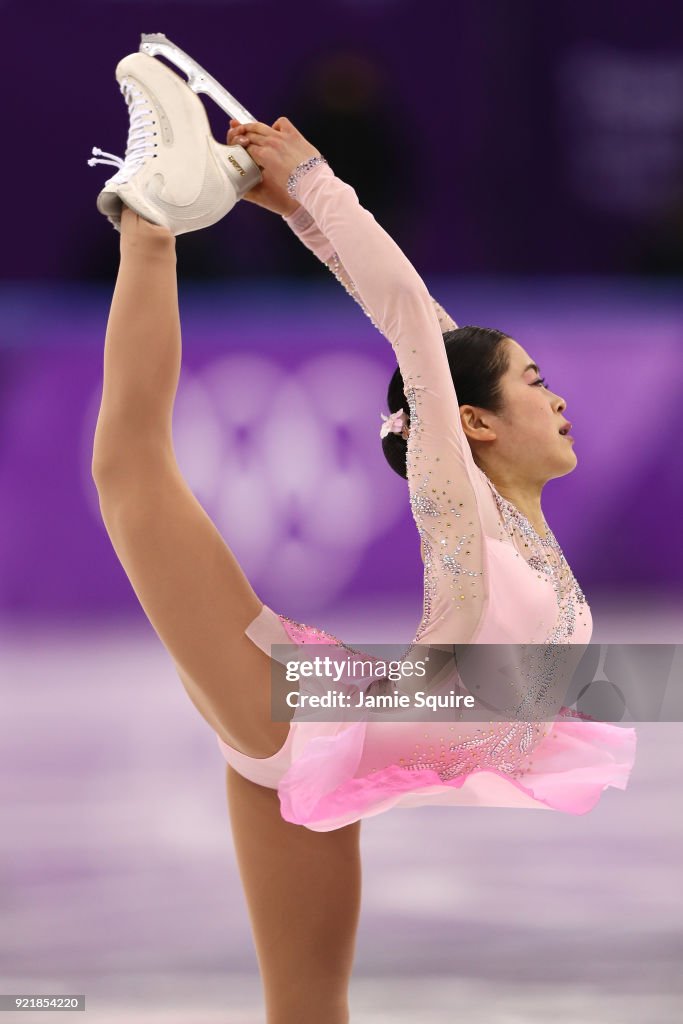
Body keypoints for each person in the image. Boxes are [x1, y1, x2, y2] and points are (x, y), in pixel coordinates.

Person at [89, 50, 636, 1024]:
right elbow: (414, 330)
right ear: (472, 424)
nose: (557, 397)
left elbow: (433, 334)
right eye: (534, 382)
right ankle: (151, 217)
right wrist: (313, 185)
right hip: (287, 708)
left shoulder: (514, 519)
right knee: (130, 470)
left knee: (306, 1011)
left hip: (326, 736)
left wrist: (303, 207)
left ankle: (169, 203)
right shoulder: (460, 512)